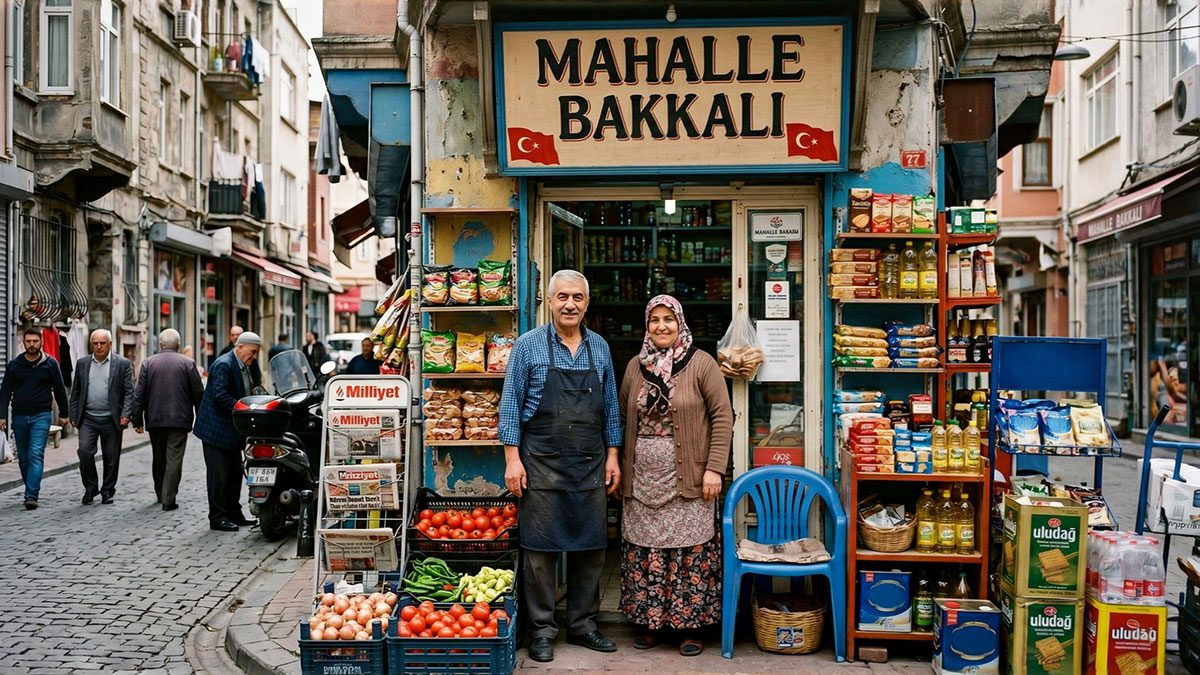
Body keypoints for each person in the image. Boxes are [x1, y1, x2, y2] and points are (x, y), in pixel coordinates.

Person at [499, 269, 622, 663]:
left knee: (591, 549)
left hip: (589, 462)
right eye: (563, 297)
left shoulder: (599, 347)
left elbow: (611, 408)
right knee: (540, 552)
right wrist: (513, 460)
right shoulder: (528, 345)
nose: (570, 304)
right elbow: (510, 406)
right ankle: (542, 630)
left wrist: (613, 456)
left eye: (578, 298)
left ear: (587, 303)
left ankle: (583, 625)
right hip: (540, 463)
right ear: (549, 301)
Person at [617, 295, 733, 656]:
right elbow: (621, 418)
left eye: (668, 319)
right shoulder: (636, 366)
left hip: (690, 477)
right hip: (642, 478)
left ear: (680, 324)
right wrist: (617, 465)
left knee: (689, 551)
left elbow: (723, 416)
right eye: (654, 320)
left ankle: (690, 627)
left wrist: (714, 468)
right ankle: (651, 623)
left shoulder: (702, 364)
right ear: (647, 326)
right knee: (646, 549)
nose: (661, 326)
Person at [193, 331, 261, 531]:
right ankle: (218, 517)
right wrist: (244, 408)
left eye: (256, 353)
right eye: (252, 352)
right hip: (216, 431)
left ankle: (234, 513)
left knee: (234, 474)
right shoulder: (224, 364)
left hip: (232, 431)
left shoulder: (243, 365)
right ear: (240, 347)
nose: (254, 357)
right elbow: (221, 395)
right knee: (219, 476)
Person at [131, 328, 204, 511]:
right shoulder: (188, 363)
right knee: (174, 458)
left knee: (158, 457)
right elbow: (198, 394)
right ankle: (168, 498)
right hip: (179, 419)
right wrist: (201, 417)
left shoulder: (148, 363)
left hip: (155, 418)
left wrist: (137, 420)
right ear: (178, 344)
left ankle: (160, 493)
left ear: (161, 344)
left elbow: (139, 394)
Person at [0, 328, 69, 509]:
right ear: (24, 342)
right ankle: (30, 486)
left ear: (41, 342)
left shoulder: (50, 364)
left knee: (36, 454)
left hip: (41, 415)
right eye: (28, 341)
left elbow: (60, 389)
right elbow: (5, 391)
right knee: (23, 458)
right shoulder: (14, 365)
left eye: (35, 341)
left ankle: (31, 494)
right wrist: (1, 416)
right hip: (19, 416)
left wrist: (64, 413)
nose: (31, 344)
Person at [68, 329, 136, 505]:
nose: (99, 347)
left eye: (102, 343)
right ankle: (90, 488)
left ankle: (107, 490)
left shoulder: (122, 364)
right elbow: (76, 391)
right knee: (85, 452)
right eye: (95, 343)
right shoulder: (83, 363)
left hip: (112, 418)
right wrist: (73, 413)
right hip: (88, 418)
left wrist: (126, 414)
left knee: (111, 457)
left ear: (110, 344)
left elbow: (129, 392)